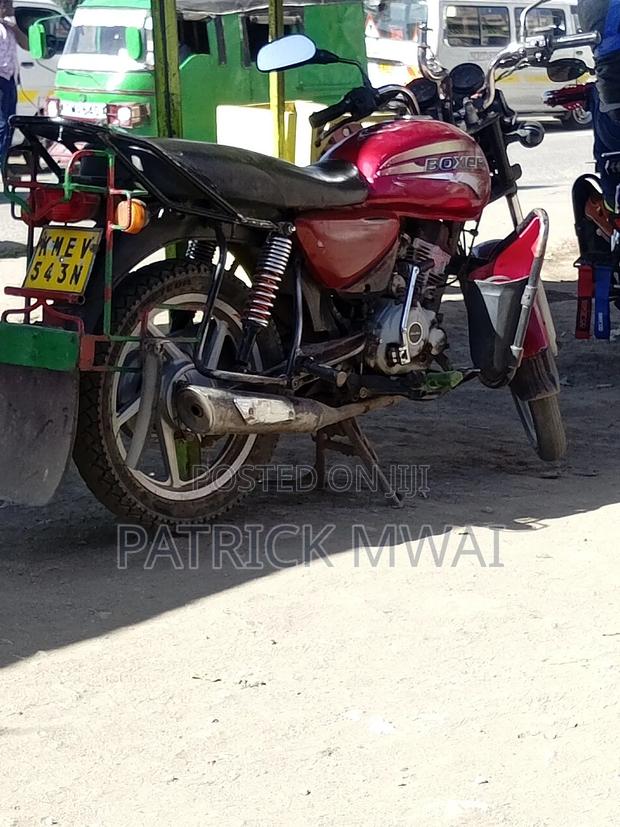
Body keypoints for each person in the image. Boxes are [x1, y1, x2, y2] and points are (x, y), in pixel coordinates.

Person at [0, 0, 28, 163]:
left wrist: (14, 27)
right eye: (5, 4)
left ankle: (3, 162)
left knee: (10, 122)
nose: (9, 8)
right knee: (2, 123)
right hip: (1, 79)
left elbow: (26, 45)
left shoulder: (9, 28)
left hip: (10, 79)